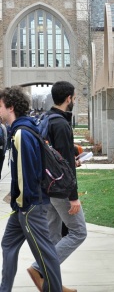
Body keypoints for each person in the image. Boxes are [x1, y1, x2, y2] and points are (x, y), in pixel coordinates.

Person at [0, 86, 62, 292]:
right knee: (8, 243)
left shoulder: (21, 133)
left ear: (10, 107)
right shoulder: (22, 128)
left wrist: (24, 204)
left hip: (30, 205)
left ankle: (54, 289)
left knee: (45, 254)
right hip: (23, 205)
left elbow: (27, 172)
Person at [27, 81, 86, 292]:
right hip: (61, 189)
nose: (75, 100)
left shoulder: (46, 119)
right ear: (69, 98)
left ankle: (53, 285)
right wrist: (73, 196)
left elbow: (56, 158)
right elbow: (66, 164)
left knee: (54, 237)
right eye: (74, 97)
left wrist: (72, 160)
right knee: (78, 232)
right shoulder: (60, 124)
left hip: (47, 186)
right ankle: (37, 269)